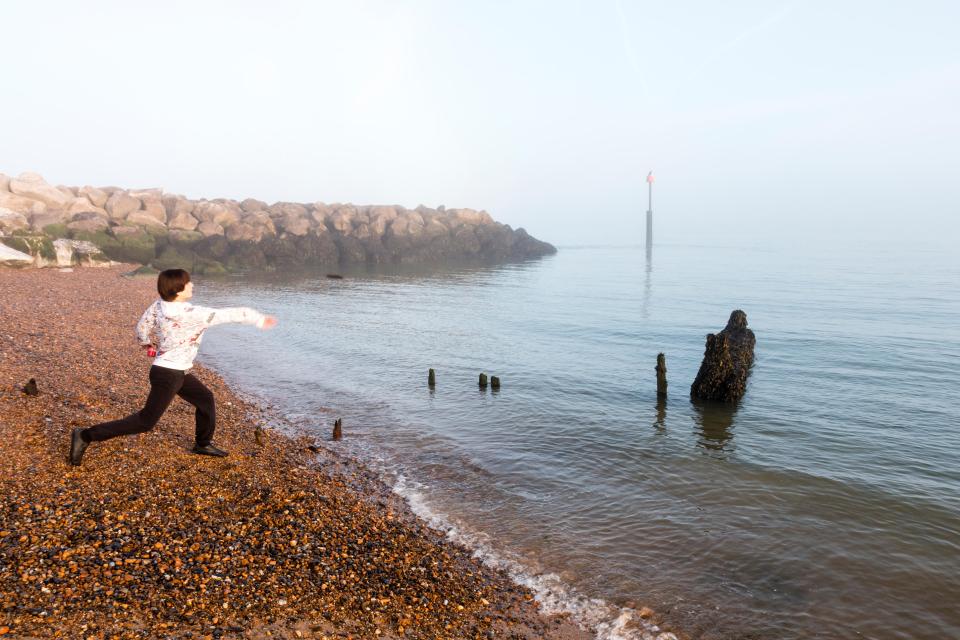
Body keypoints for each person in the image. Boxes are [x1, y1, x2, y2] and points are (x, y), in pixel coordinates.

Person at [69, 268, 277, 466]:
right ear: (178, 290)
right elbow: (232, 314)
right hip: (169, 374)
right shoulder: (194, 313)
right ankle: (85, 435)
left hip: (173, 370)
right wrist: (259, 319)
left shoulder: (158, 306)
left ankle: (202, 444)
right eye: (188, 283)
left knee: (205, 399)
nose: (192, 285)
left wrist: (146, 344)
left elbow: (142, 327)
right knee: (145, 422)